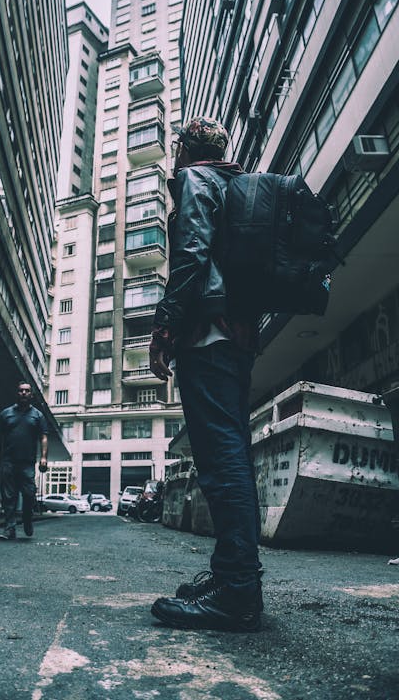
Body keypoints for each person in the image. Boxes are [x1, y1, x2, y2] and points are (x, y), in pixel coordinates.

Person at [148, 117, 262, 632]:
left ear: (185, 149)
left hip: (208, 338)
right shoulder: (237, 183)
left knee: (222, 462)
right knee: (230, 454)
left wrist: (165, 329)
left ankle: (237, 591)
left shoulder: (196, 180)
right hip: (236, 338)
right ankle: (231, 575)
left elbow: (190, 256)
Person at [0, 381, 48, 540]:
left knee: (29, 494)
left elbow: (43, 437)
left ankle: (27, 518)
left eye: (27, 391)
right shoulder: (6, 414)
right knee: (9, 497)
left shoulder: (37, 415)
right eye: (21, 391)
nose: (23, 393)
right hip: (8, 461)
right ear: (17, 393)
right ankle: (10, 529)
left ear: (31, 395)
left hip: (27, 463)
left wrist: (43, 457)